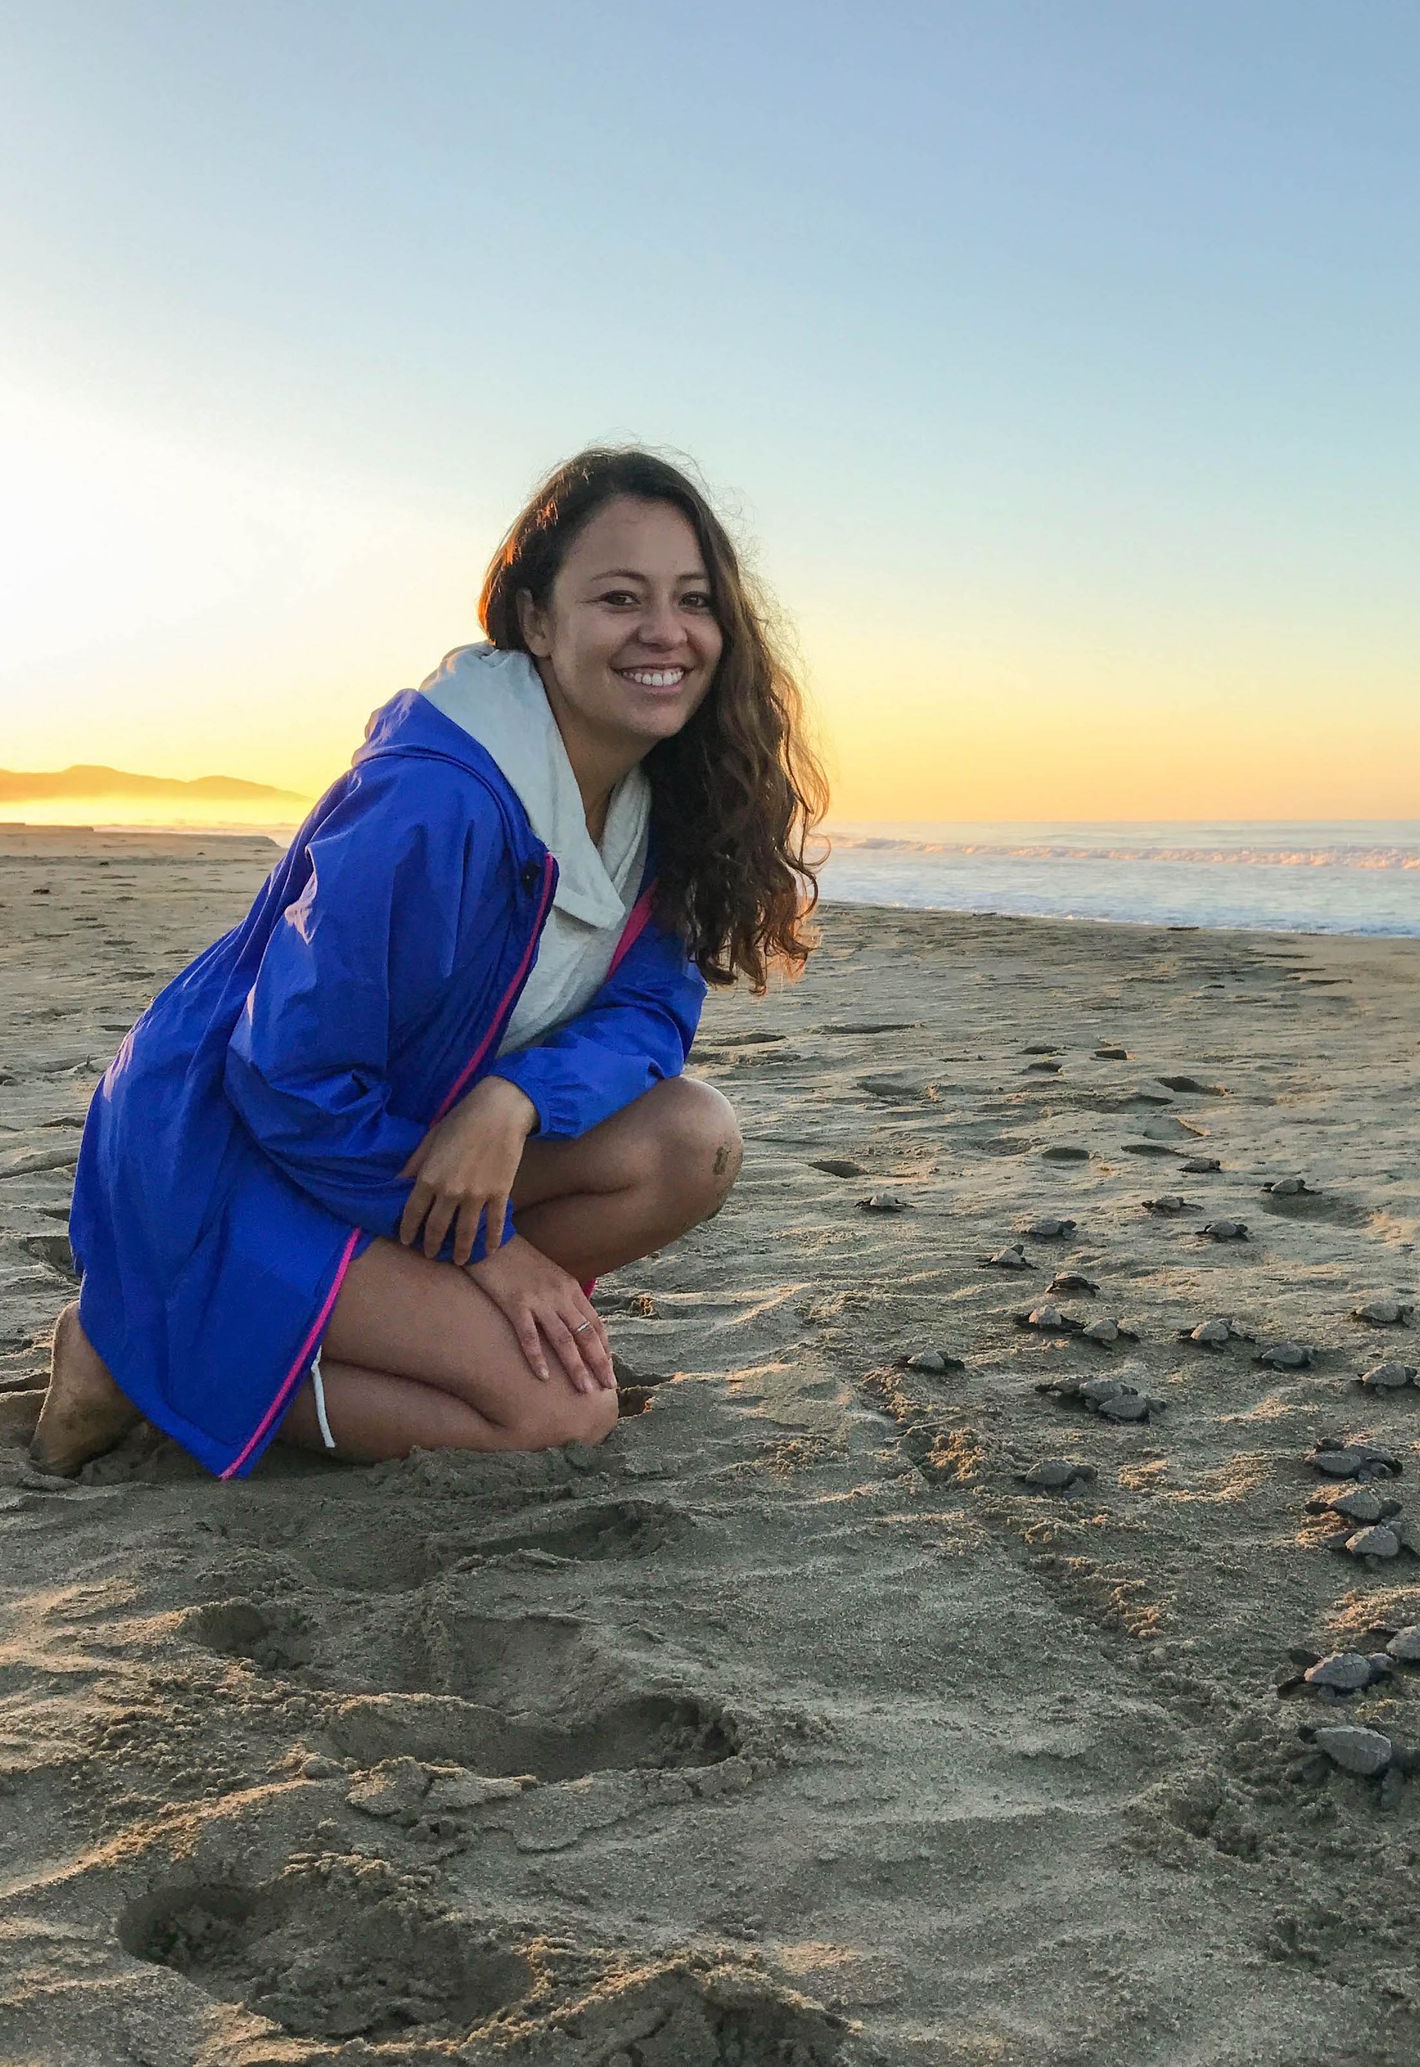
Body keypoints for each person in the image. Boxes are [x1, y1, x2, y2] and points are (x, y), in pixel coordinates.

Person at [30, 446, 825, 1479]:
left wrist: (513, 1100)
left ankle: (383, 1325)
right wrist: (496, 1255)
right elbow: (285, 1077)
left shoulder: (665, 799)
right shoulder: (434, 800)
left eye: (694, 599)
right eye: (620, 598)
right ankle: (137, 1355)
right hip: (240, 1155)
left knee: (691, 1141)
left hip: (413, 1141)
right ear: (537, 622)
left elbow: (648, 1015)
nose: (665, 632)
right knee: (558, 1412)